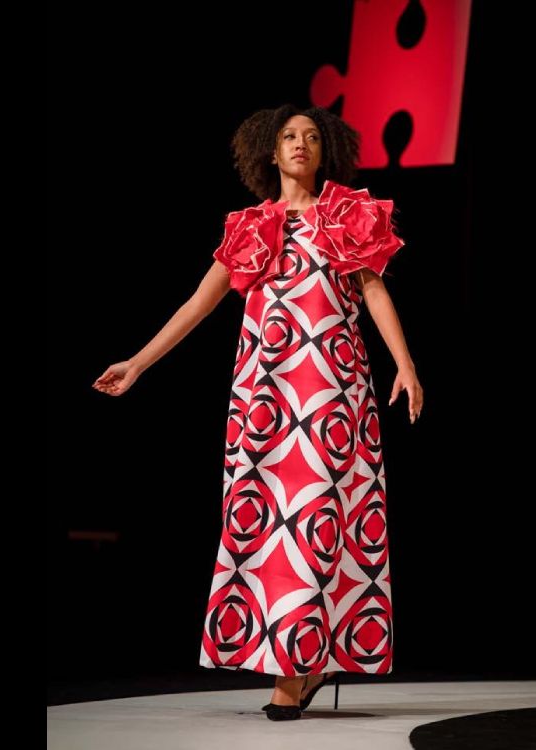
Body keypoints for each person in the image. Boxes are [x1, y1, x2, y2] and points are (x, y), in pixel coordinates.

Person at [93, 104, 423, 721]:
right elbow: (199, 302)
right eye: (289, 137)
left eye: (312, 137)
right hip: (264, 400)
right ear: (269, 154)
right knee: (271, 526)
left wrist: (404, 364)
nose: (301, 144)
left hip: (330, 396)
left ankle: (289, 678)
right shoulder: (251, 227)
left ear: (326, 153)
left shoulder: (346, 215)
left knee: (318, 523)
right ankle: (306, 662)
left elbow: (374, 289)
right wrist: (138, 362)